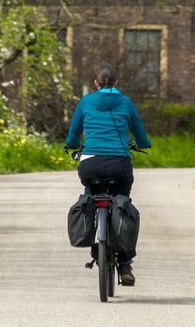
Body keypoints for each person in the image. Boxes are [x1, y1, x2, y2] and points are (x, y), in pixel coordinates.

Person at [64, 62, 151, 286]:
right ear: (116, 82)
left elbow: (74, 132)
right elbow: (139, 128)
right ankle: (124, 263)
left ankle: (95, 244)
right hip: (118, 164)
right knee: (122, 202)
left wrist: (71, 145)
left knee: (91, 197)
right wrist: (143, 143)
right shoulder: (125, 102)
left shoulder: (85, 102)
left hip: (90, 164)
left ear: (96, 83)